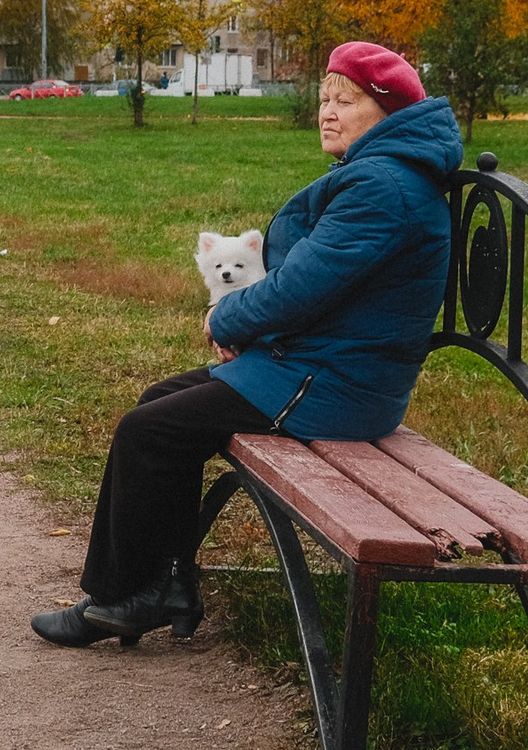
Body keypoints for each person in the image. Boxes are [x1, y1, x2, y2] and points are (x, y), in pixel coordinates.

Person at [33, 42, 463, 648]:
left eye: (347, 99)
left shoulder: (383, 189)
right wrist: (253, 328)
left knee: (149, 431)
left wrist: (228, 318)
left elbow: (299, 290)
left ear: (388, 112)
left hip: (331, 387)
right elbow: (320, 290)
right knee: (159, 404)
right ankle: (167, 583)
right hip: (322, 366)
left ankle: (123, 596)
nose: (328, 111)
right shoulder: (385, 173)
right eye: (324, 98)